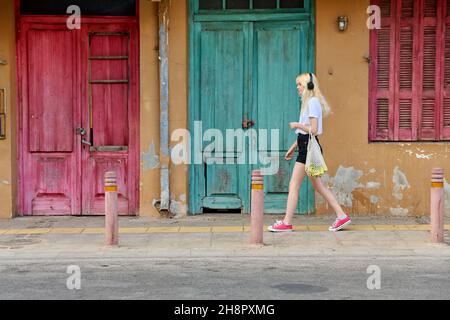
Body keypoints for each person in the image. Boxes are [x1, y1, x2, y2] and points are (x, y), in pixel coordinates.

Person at [268, 73, 351, 232]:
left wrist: (297, 125)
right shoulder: (310, 102)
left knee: (294, 184)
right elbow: (306, 135)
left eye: (300, 84)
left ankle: (286, 222)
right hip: (306, 145)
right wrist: (293, 148)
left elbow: (312, 130)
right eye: (297, 85)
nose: (298, 88)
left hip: (308, 147)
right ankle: (341, 216)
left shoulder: (312, 102)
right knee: (319, 186)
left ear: (309, 86)